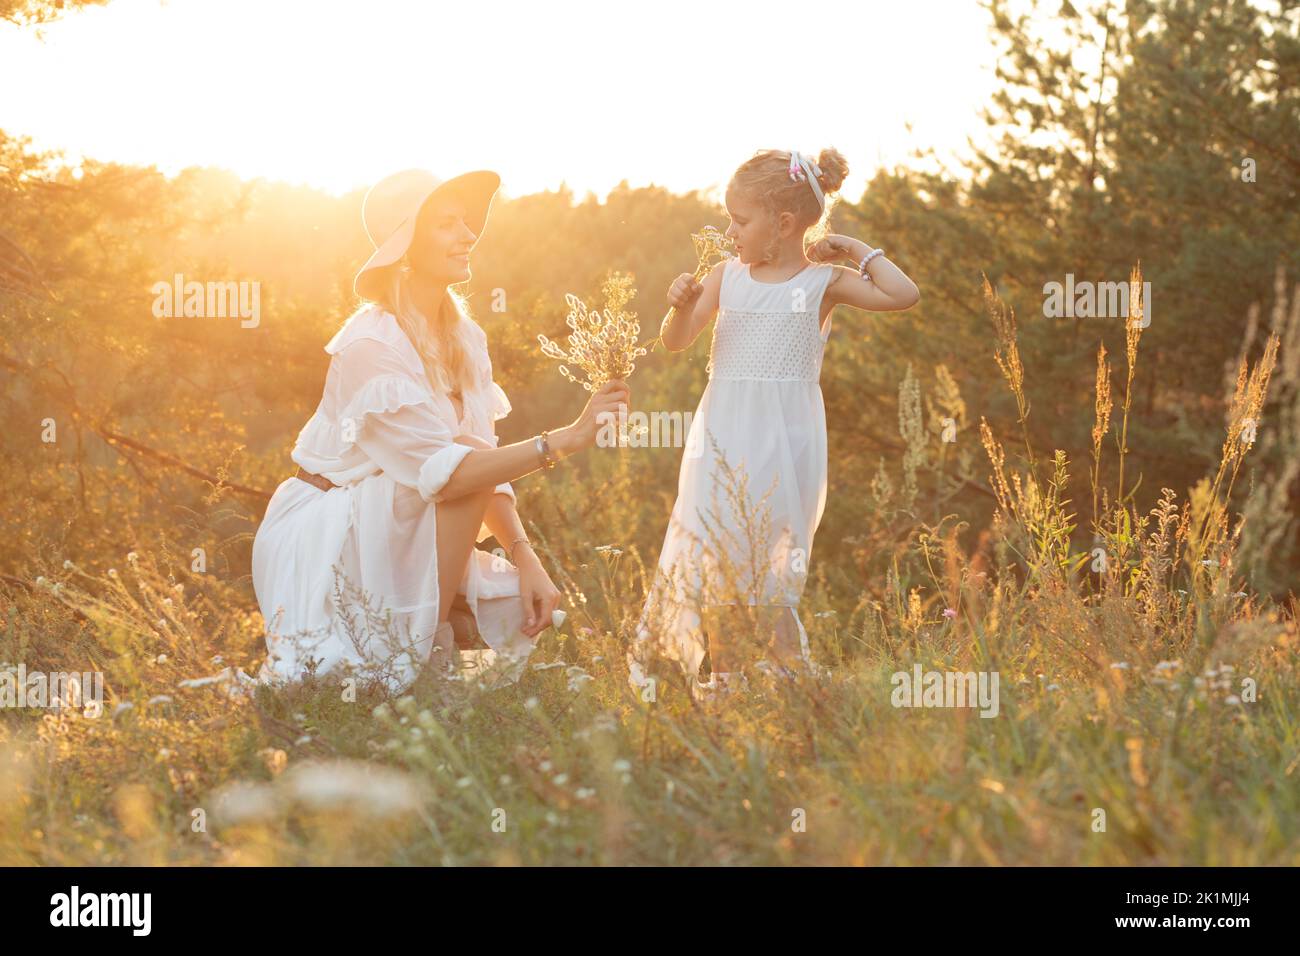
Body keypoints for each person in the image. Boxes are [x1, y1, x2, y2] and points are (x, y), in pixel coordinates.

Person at [251, 167, 629, 691]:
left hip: (394, 510)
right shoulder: (371, 344)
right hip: (328, 527)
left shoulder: (465, 337)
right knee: (460, 459)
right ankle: (425, 653)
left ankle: (435, 632)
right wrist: (563, 440)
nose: (469, 235)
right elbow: (451, 476)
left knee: (469, 456)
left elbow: (481, 468)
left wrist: (525, 557)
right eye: (448, 224)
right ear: (405, 246)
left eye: (467, 223)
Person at [630, 148, 920, 700]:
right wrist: (677, 304)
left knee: (767, 561)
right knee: (719, 552)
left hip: (786, 442)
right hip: (723, 436)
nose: (729, 231)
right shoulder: (725, 277)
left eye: (740, 221)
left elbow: (902, 295)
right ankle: (728, 681)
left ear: (783, 224)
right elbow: (675, 342)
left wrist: (856, 249)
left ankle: (785, 680)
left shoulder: (822, 283)